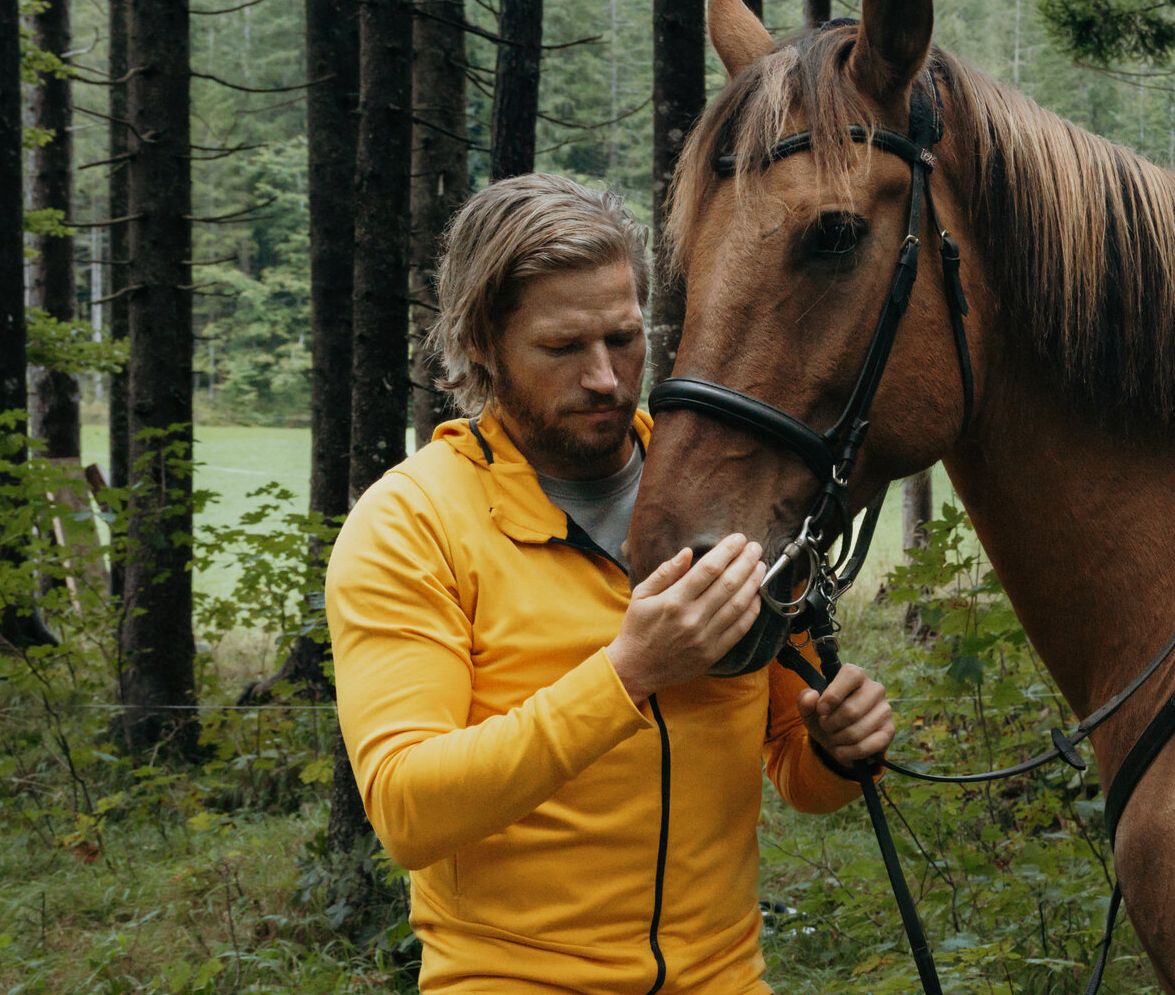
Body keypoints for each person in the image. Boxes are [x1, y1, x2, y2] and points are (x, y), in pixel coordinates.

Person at [326, 173, 897, 994]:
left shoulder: (719, 488)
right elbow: (410, 812)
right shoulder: (412, 525)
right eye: (562, 348)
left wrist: (839, 749)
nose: (605, 378)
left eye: (624, 339)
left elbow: (792, 766)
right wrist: (627, 673)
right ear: (483, 342)